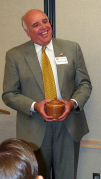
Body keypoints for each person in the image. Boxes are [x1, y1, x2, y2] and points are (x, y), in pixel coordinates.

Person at [2, 9, 92, 179]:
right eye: (36, 25)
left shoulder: (72, 48)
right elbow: (9, 94)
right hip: (34, 128)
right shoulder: (15, 55)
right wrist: (34, 106)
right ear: (27, 31)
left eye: (45, 21)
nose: (44, 27)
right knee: (36, 176)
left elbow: (84, 84)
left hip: (68, 126)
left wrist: (72, 103)